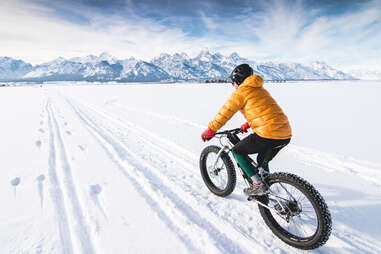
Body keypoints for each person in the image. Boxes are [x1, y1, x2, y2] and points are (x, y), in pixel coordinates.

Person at [201, 64, 292, 196]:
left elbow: (225, 112)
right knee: (262, 160)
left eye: (233, 82)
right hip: (285, 133)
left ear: (237, 81)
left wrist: (211, 129)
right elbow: (264, 112)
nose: (233, 85)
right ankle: (267, 180)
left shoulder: (240, 92)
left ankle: (258, 185)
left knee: (237, 151)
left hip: (268, 133)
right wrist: (248, 124)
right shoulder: (261, 90)